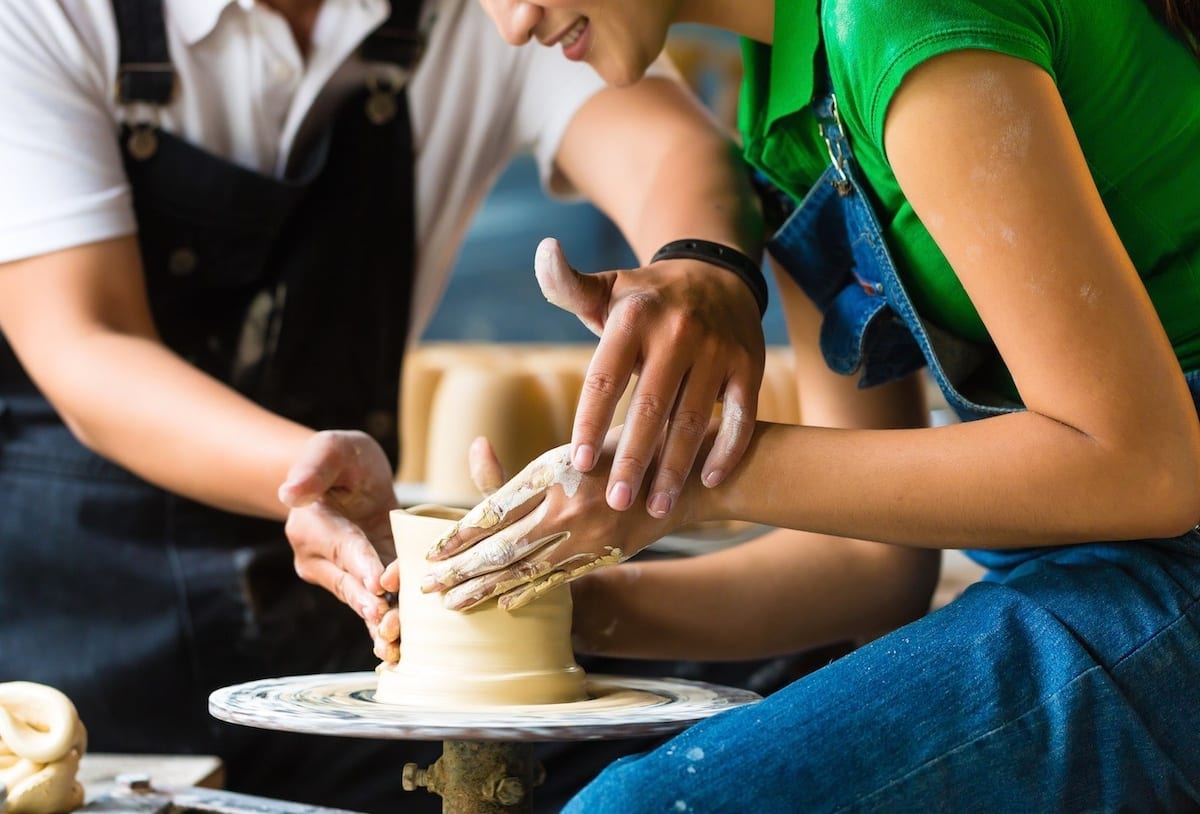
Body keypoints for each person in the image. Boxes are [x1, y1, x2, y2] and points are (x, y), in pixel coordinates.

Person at [422, 0, 1200, 810]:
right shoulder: (781, 104)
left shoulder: (900, 17)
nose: (512, 24)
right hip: (1088, 565)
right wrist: (552, 602)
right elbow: (871, 566)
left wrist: (696, 476)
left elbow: (1141, 469)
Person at [0, 1, 775, 811]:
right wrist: (306, 472)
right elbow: (86, 340)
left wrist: (701, 268)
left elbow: (675, 151)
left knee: (754, 722)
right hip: (88, 646)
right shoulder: (45, 15)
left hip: (355, 621)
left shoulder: (496, 8)